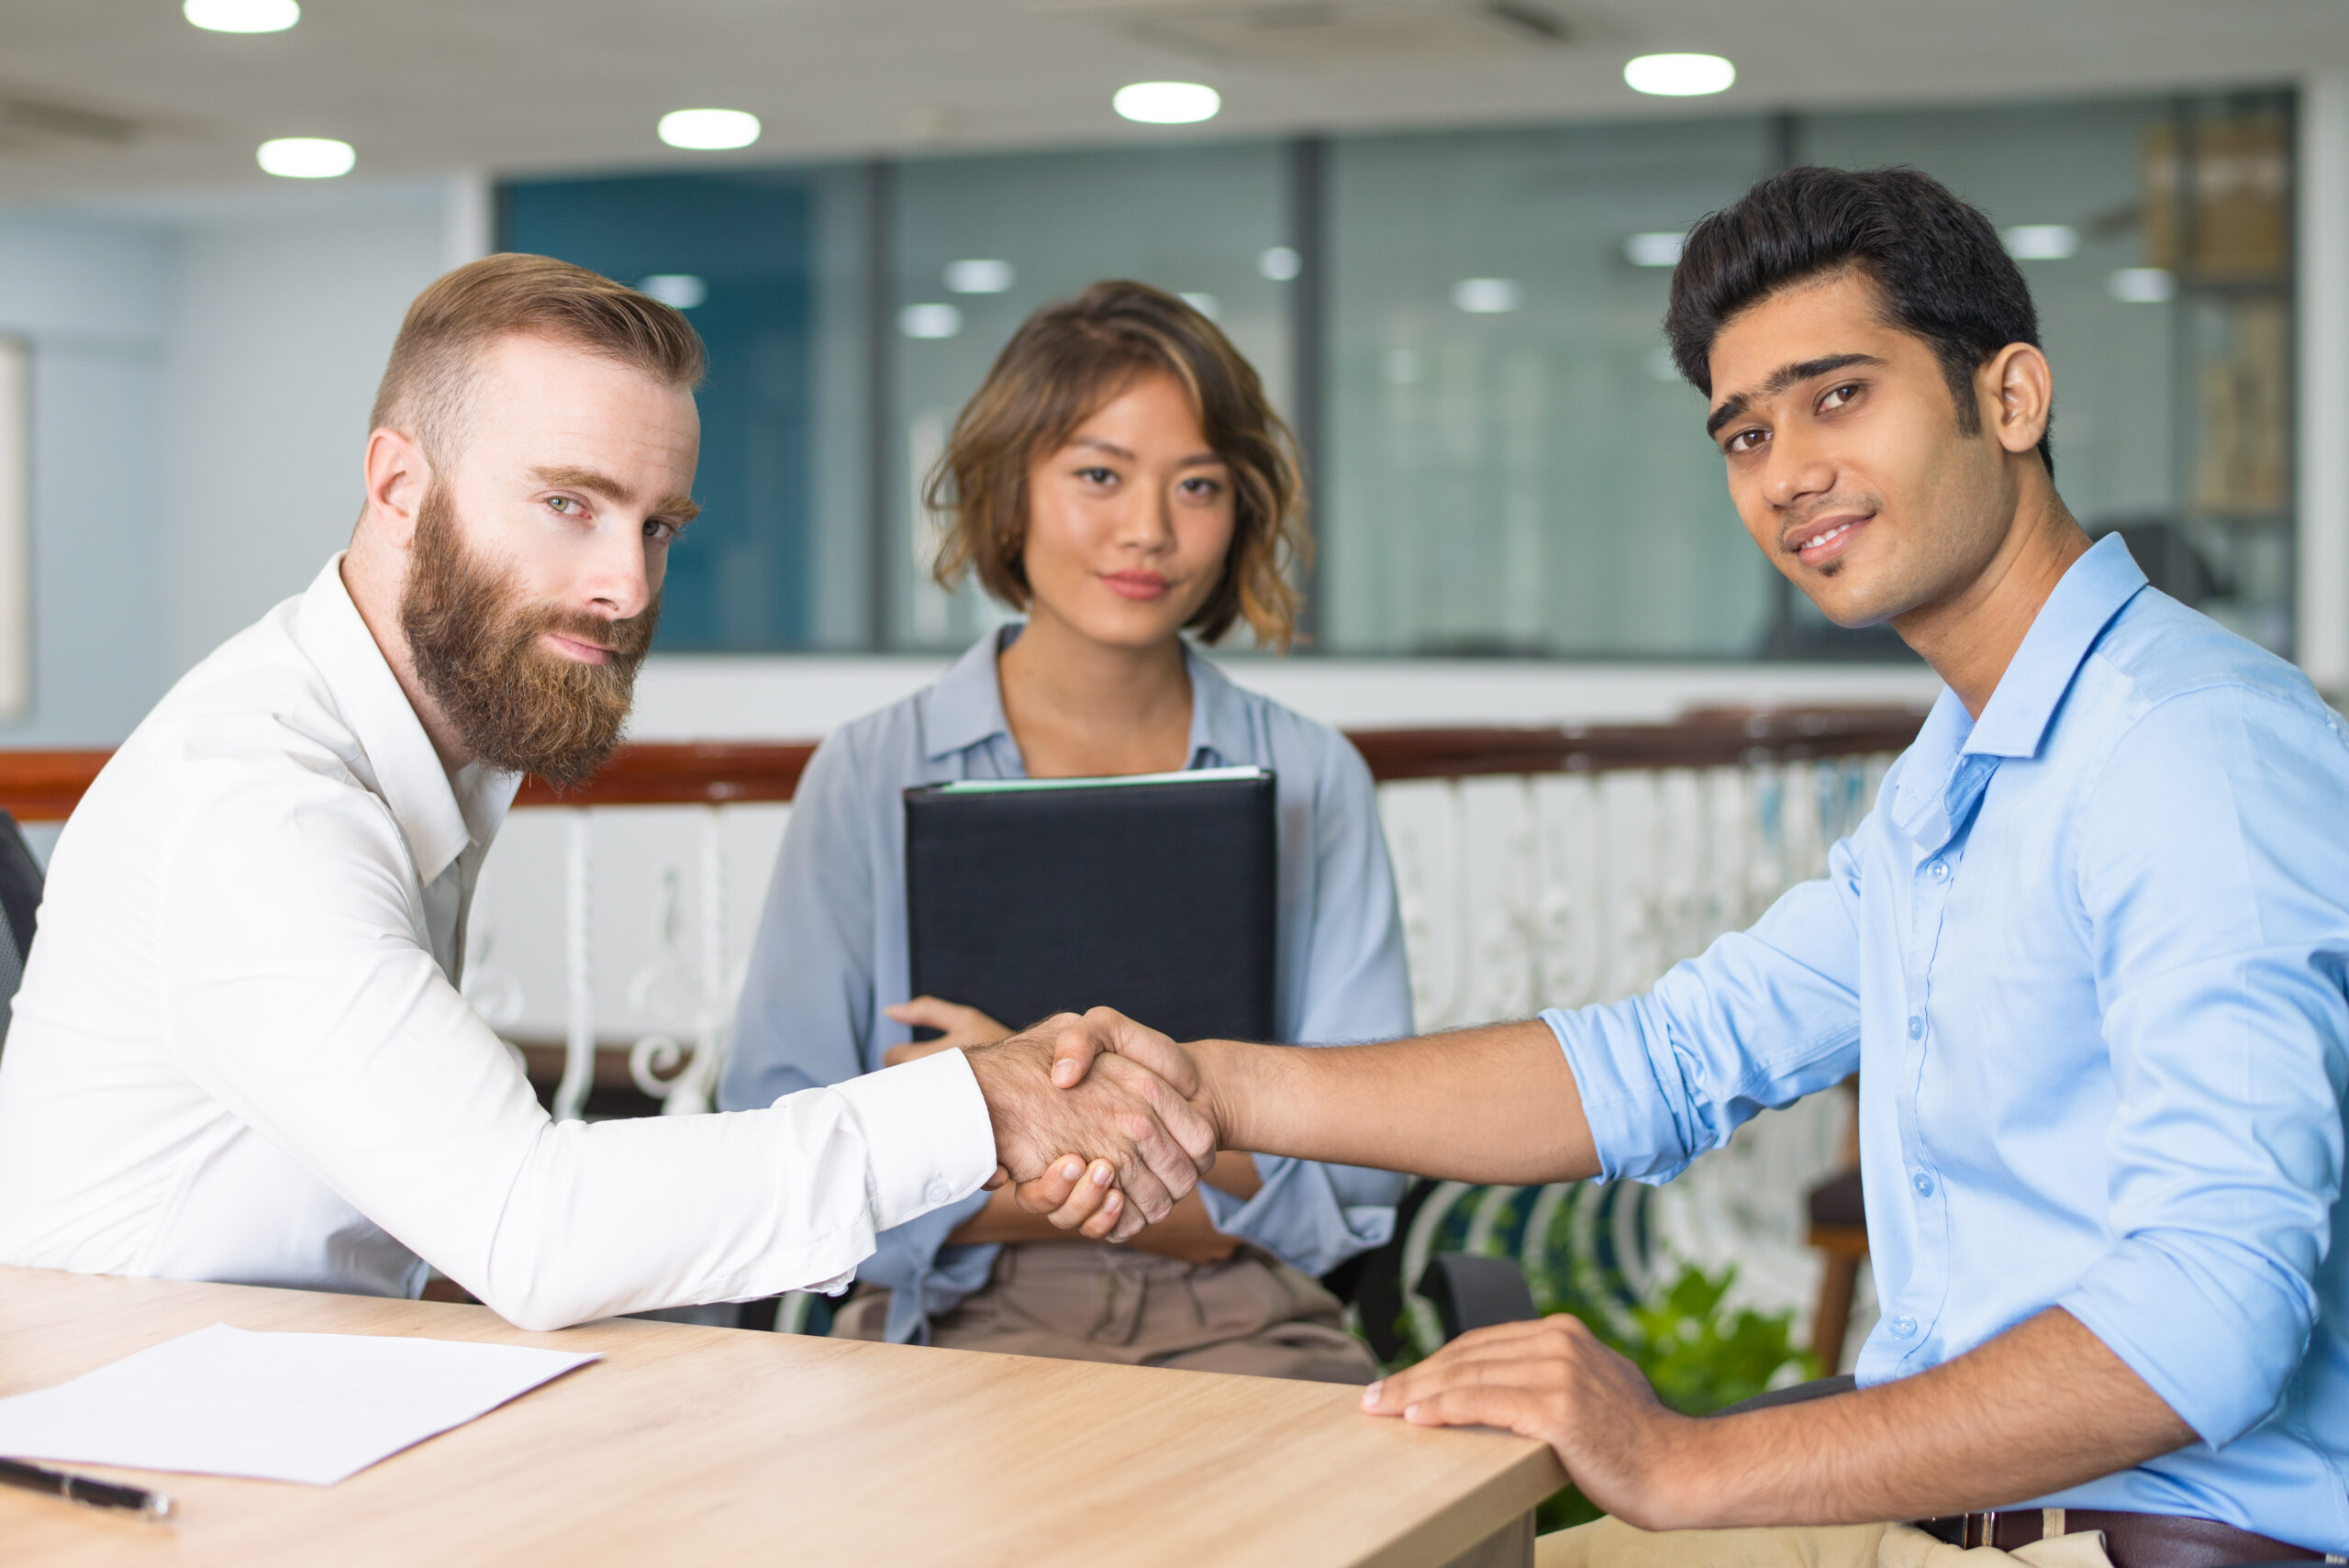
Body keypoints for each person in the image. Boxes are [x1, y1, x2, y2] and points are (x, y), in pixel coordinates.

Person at [1016, 168, 2349, 1566]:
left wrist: (1684, 1459)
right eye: (1747, 433)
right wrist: (1213, 1086)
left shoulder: (2189, 751)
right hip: (1950, 1515)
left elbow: (2216, 1318)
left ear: (2010, 398)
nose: (1788, 474)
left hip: (2142, 1536)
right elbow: (1667, 1059)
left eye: (1841, 397)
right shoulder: (1964, 767)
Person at [0, 254, 1213, 1331]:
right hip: (131, 1434)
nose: (626, 587)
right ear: (399, 486)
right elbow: (534, 1222)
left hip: (280, 1380)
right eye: (567, 504)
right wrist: (979, 1106)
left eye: (657, 526)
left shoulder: (416, 747)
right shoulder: (260, 808)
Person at [721, 281, 1414, 1382]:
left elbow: (1354, 1169)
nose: (1148, 529)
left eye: (1197, 485)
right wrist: (1200, 1159)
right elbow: (780, 1133)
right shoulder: (868, 769)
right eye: (1099, 474)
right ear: (1010, 494)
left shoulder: (1314, 775)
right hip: (951, 1323)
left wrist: (1006, 1119)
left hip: (1250, 1318)